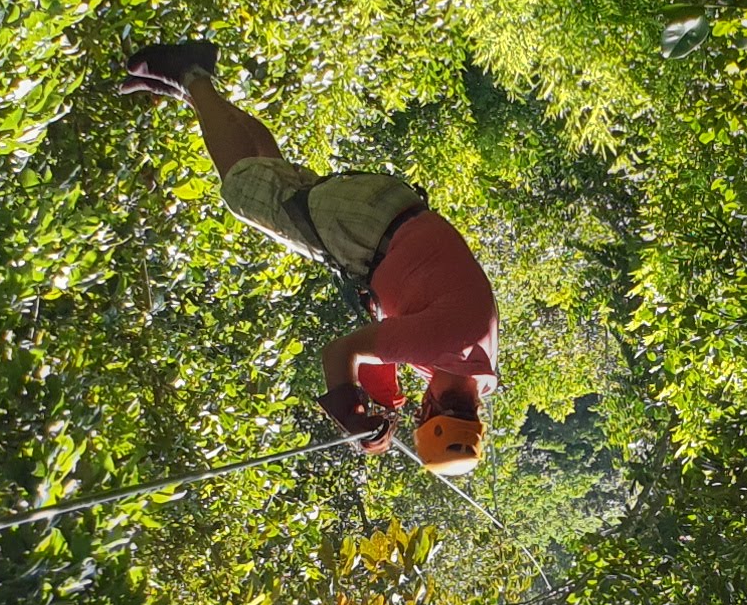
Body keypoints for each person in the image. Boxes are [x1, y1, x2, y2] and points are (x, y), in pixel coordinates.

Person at [118, 41, 494, 474]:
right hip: (366, 231)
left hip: (383, 219)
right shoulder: (450, 348)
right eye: (420, 416)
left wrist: (381, 400)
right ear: (431, 415)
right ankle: (192, 76)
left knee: (269, 175)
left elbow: (390, 341)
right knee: (243, 190)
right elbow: (341, 353)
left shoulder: (472, 371)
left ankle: (189, 88)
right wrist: (350, 414)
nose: (418, 411)